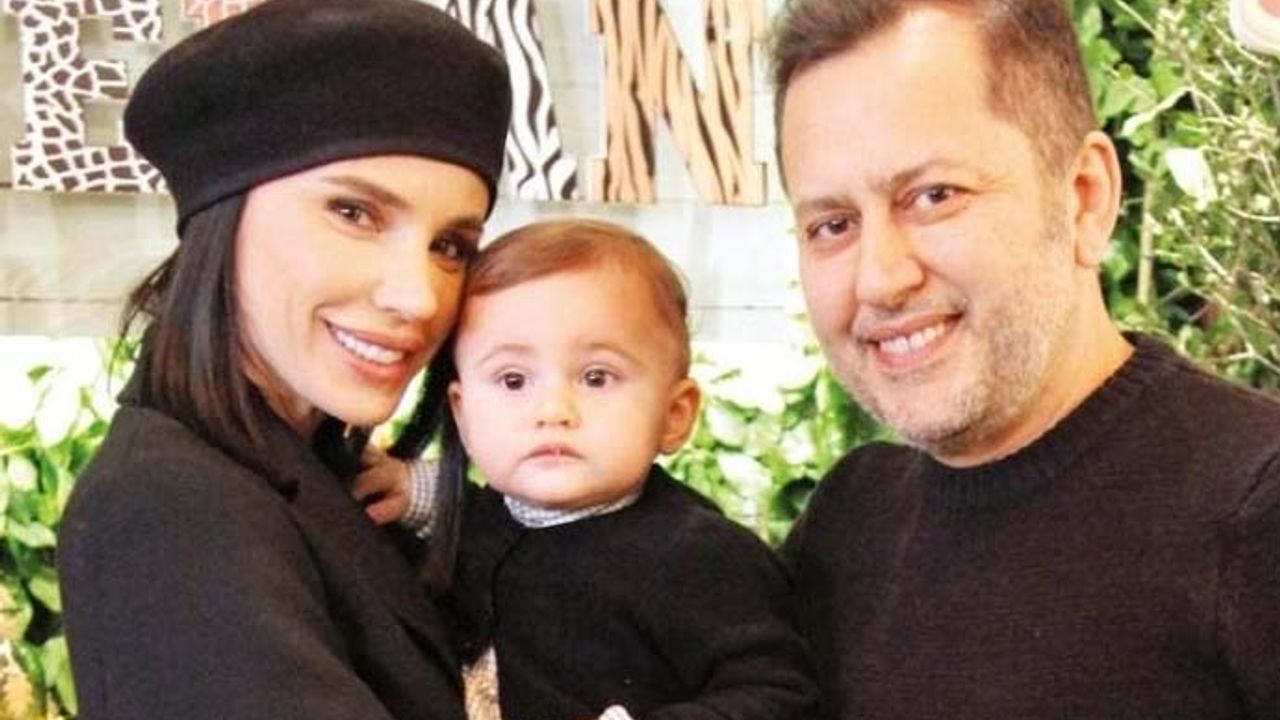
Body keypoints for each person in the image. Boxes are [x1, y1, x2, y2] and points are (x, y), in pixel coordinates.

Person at [769, 0, 1280, 717]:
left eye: (933, 196)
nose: (879, 279)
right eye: (832, 225)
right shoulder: (848, 523)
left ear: (1084, 199)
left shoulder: (1257, 511)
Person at [55, 1, 511, 718]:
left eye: (450, 246)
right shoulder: (173, 506)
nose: (418, 296)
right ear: (222, 219)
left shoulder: (310, 467)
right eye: (354, 213)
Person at [356, 219, 817, 720]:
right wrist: (411, 488)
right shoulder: (486, 526)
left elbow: (779, 694)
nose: (553, 409)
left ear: (674, 414)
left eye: (597, 377)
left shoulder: (701, 557)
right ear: (463, 416)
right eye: (513, 381)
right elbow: (478, 518)